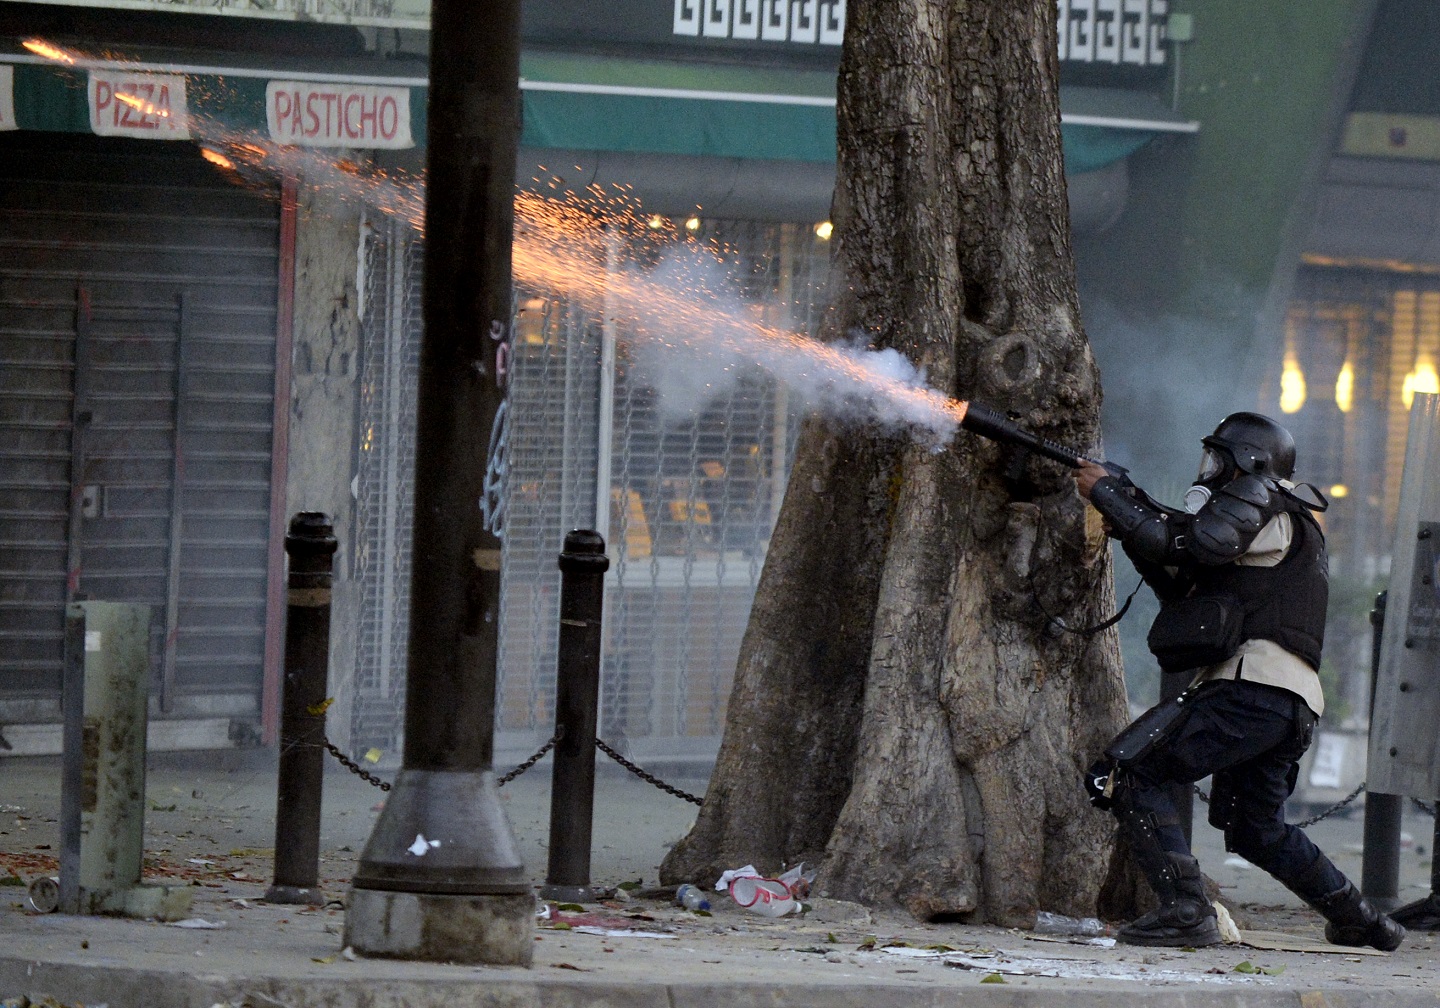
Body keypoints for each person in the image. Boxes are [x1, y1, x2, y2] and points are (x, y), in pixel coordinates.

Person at [1073, 412, 1405, 951]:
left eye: (1219, 459)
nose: (1210, 471)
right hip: (1290, 702)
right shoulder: (1268, 523)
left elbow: (1180, 544)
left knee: (1126, 774)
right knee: (1257, 830)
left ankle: (1186, 912)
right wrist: (1125, 507)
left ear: (1249, 461)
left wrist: (1109, 494)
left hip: (1249, 686)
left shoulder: (1261, 495)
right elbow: (1180, 572)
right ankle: (1364, 921)